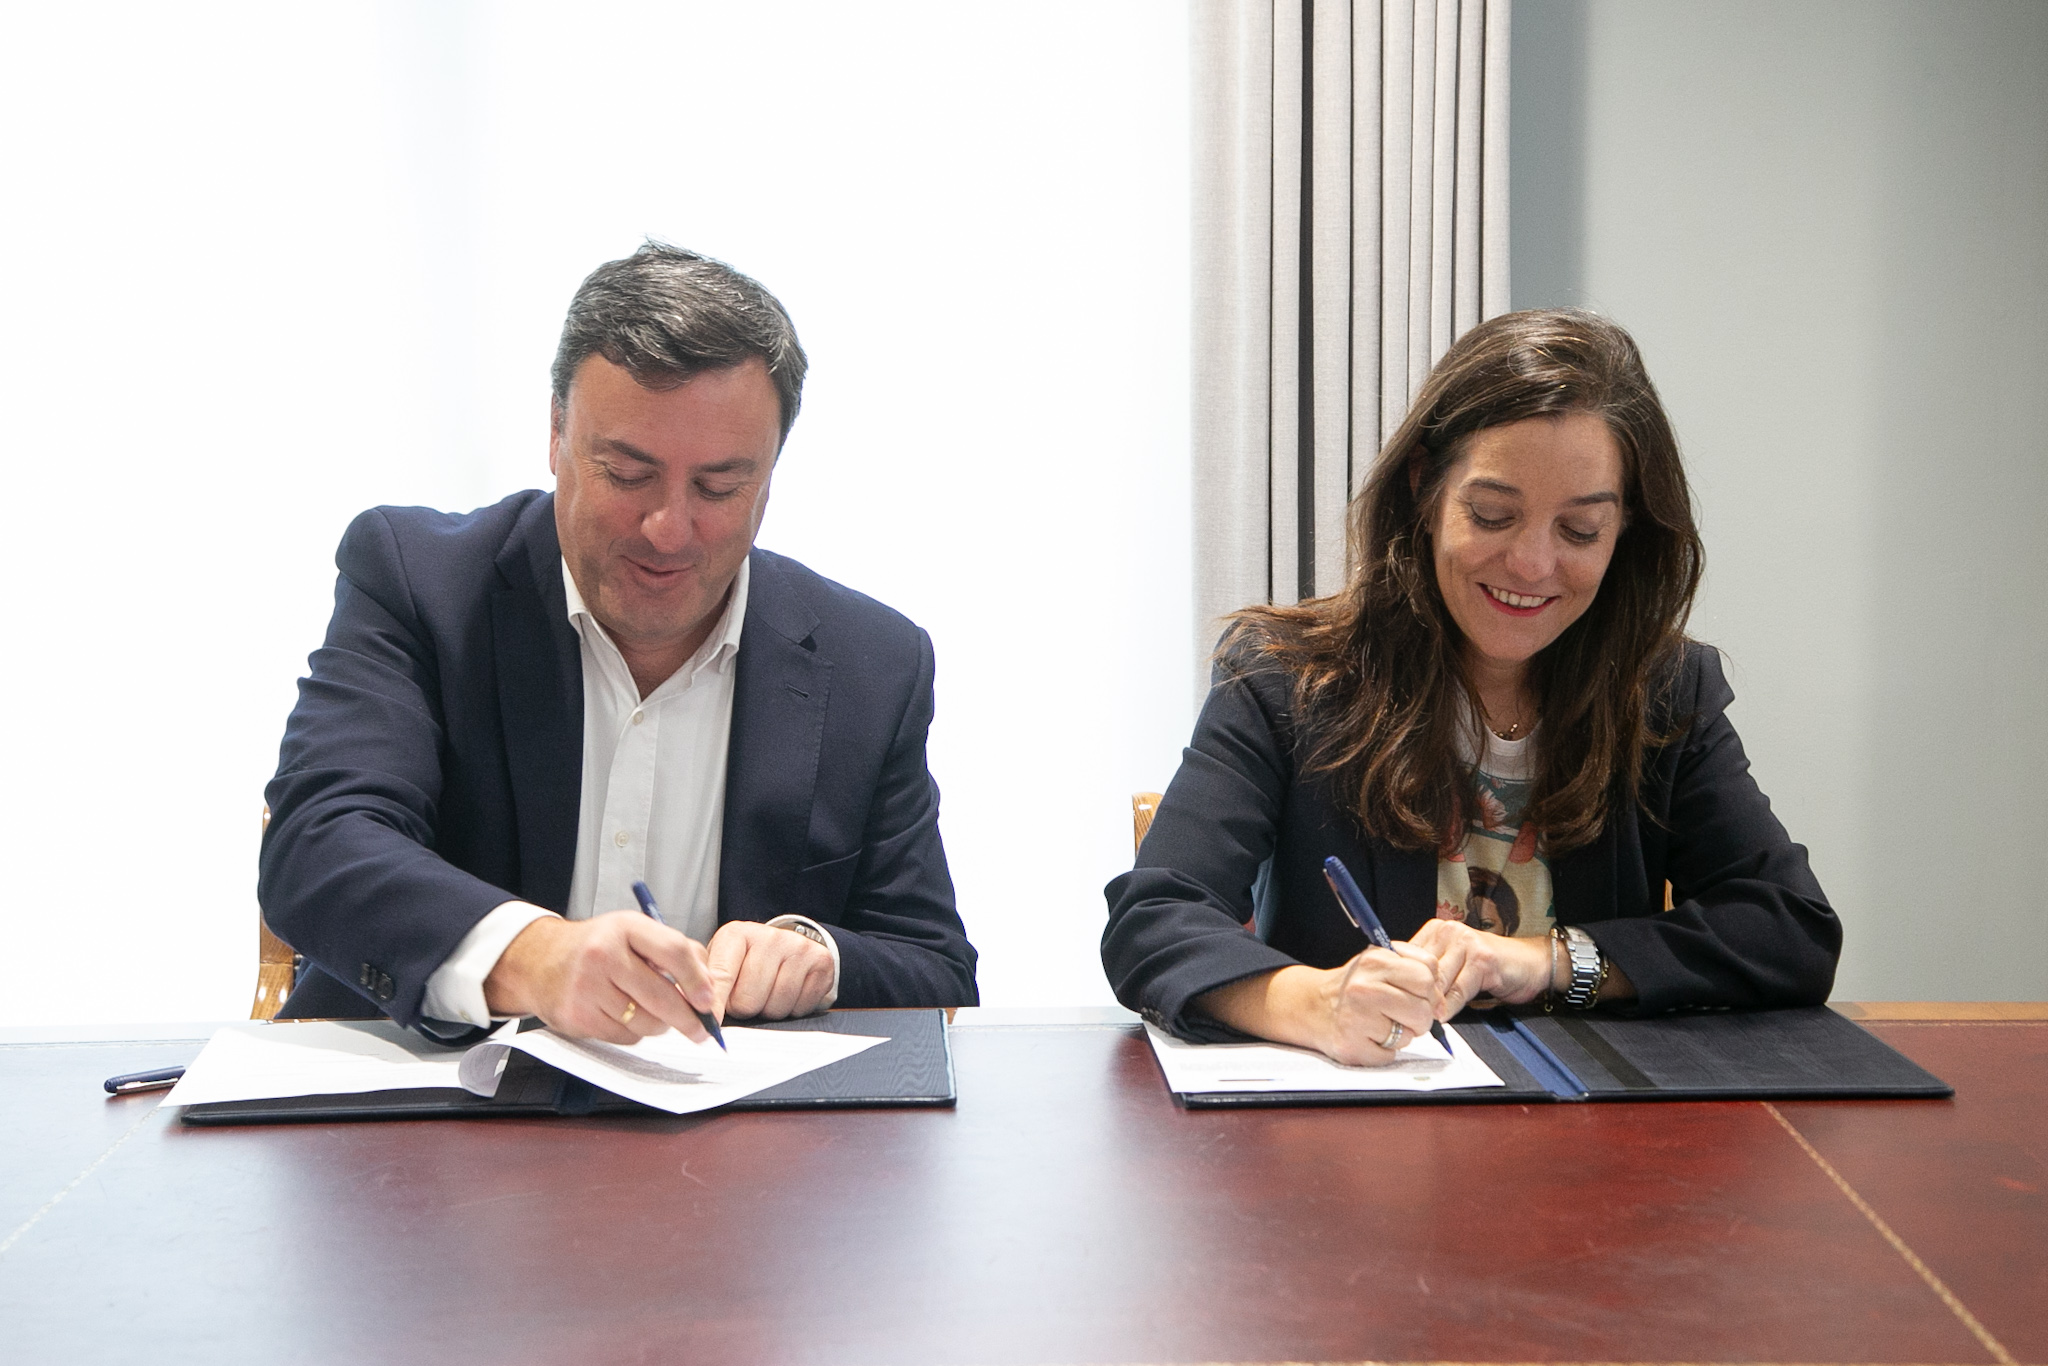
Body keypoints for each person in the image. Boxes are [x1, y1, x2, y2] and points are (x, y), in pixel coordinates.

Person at [262, 243, 978, 1044]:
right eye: (628, 474)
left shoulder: (872, 663)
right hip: (420, 1103)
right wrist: (533, 956)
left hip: (733, 1120)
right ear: (557, 434)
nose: (669, 529)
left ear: (771, 474)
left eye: (718, 487)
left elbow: (934, 966)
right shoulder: (421, 582)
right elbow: (318, 845)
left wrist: (818, 956)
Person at [1102, 308, 1839, 1065]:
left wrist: (1546, 960)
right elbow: (1153, 920)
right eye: (1492, 515)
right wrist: (1317, 1003)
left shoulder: (1665, 692)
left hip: (1595, 1123)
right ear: (1425, 487)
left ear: (1625, 531)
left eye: (1580, 531)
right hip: (1358, 1125)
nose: (1532, 564)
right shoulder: (1285, 680)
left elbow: (1790, 928)